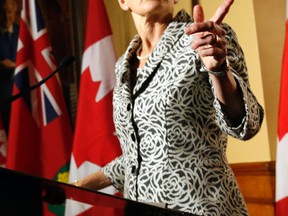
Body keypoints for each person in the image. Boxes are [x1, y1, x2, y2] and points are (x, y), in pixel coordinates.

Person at [73, 0, 264, 215]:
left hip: (200, 206)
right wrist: (78, 187)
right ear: (123, 2)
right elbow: (138, 157)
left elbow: (248, 123)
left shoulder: (206, 38)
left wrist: (220, 70)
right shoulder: (123, 66)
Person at [0, 0, 19, 133]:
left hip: (21, 92)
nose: (7, 16)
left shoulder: (23, 32)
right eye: (3, 12)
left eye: (10, 12)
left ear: (15, 13)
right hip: (2, 97)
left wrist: (14, 65)